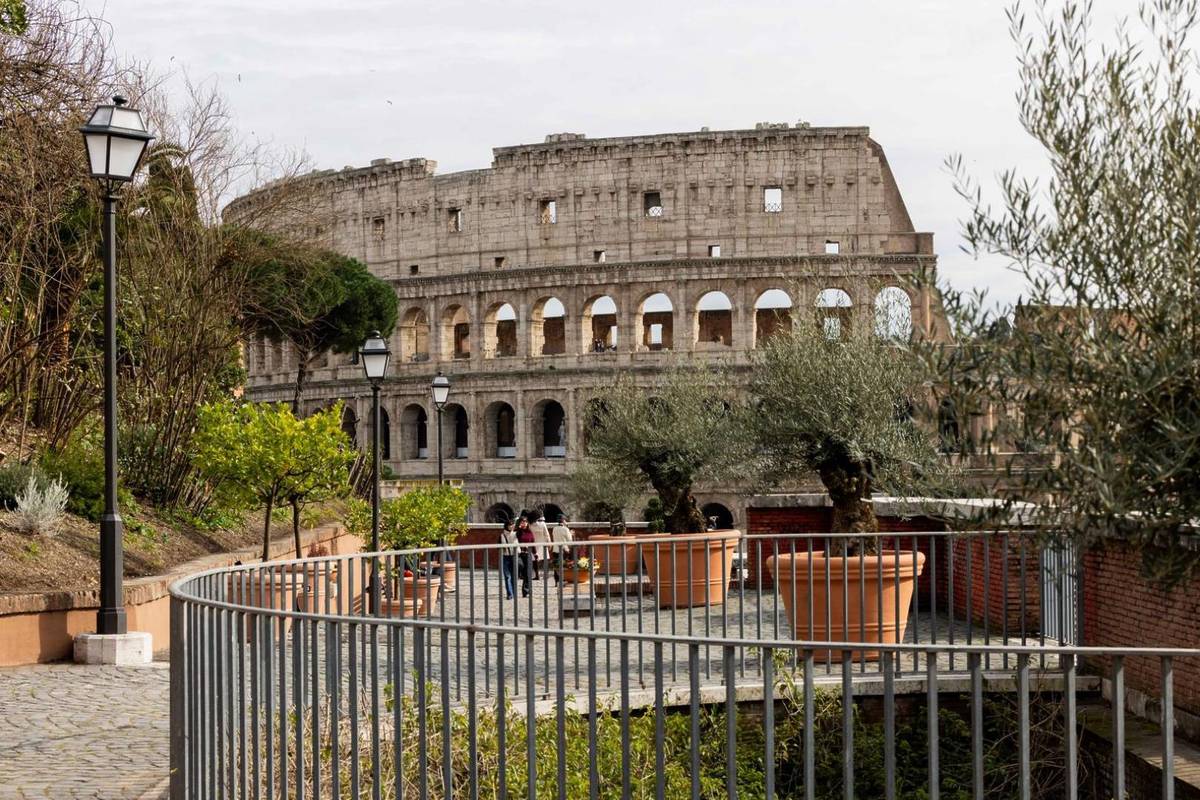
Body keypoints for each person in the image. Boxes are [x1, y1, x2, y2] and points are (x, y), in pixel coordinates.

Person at [550, 514, 574, 585]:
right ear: (563, 520)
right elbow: (570, 540)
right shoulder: (565, 529)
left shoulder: (554, 528)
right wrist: (570, 533)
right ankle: (563, 580)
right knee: (563, 565)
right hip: (564, 549)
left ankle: (556, 581)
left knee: (556, 565)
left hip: (555, 549)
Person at [515, 513, 535, 594]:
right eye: (522, 522)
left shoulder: (530, 532)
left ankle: (526, 589)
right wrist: (519, 529)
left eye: (525, 522)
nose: (524, 523)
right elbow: (513, 538)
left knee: (528, 572)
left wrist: (535, 553)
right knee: (524, 572)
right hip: (520, 554)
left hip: (528, 554)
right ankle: (524, 589)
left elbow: (533, 542)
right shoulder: (517, 532)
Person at [530, 510, 551, 580]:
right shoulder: (542, 524)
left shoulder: (530, 525)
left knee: (535, 561)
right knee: (545, 560)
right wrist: (549, 543)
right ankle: (546, 575)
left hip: (533, 544)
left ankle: (537, 575)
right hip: (543, 543)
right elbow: (547, 534)